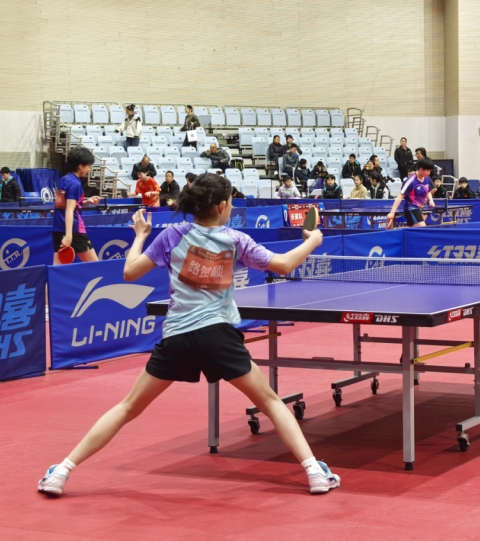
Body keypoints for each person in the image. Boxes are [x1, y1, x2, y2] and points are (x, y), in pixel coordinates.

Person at [37, 173, 340, 497]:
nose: (231, 207)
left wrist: (140, 236)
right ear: (221, 206)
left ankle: (62, 472)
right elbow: (284, 265)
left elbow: (130, 271)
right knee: (270, 402)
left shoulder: (173, 235)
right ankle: (314, 473)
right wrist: (312, 241)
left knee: (128, 407)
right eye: (231, 202)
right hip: (218, 337)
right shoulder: (235, 240)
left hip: (177, 337)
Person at [53, 148, 101, 264]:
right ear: (80, 166)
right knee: (95, 266)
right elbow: (69, 210)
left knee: (57, 269)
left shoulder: (64, 179)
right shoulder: (75, 183)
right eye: (88, 166)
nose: (89, 169)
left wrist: (86, 202)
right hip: (74, 229)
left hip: (58, 228)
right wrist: (69, 236)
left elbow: (65, 205)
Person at [387, 157, 435, 227]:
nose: (429, 173)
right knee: (422, 228)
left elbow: (428, 191)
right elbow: (400, 196)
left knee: (411, 228)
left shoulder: (427, 178)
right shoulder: (411, 181)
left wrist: (431, 200)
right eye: (428, 171)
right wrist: (392, 213)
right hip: (411, 208)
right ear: (421, 169)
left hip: (420, 208)